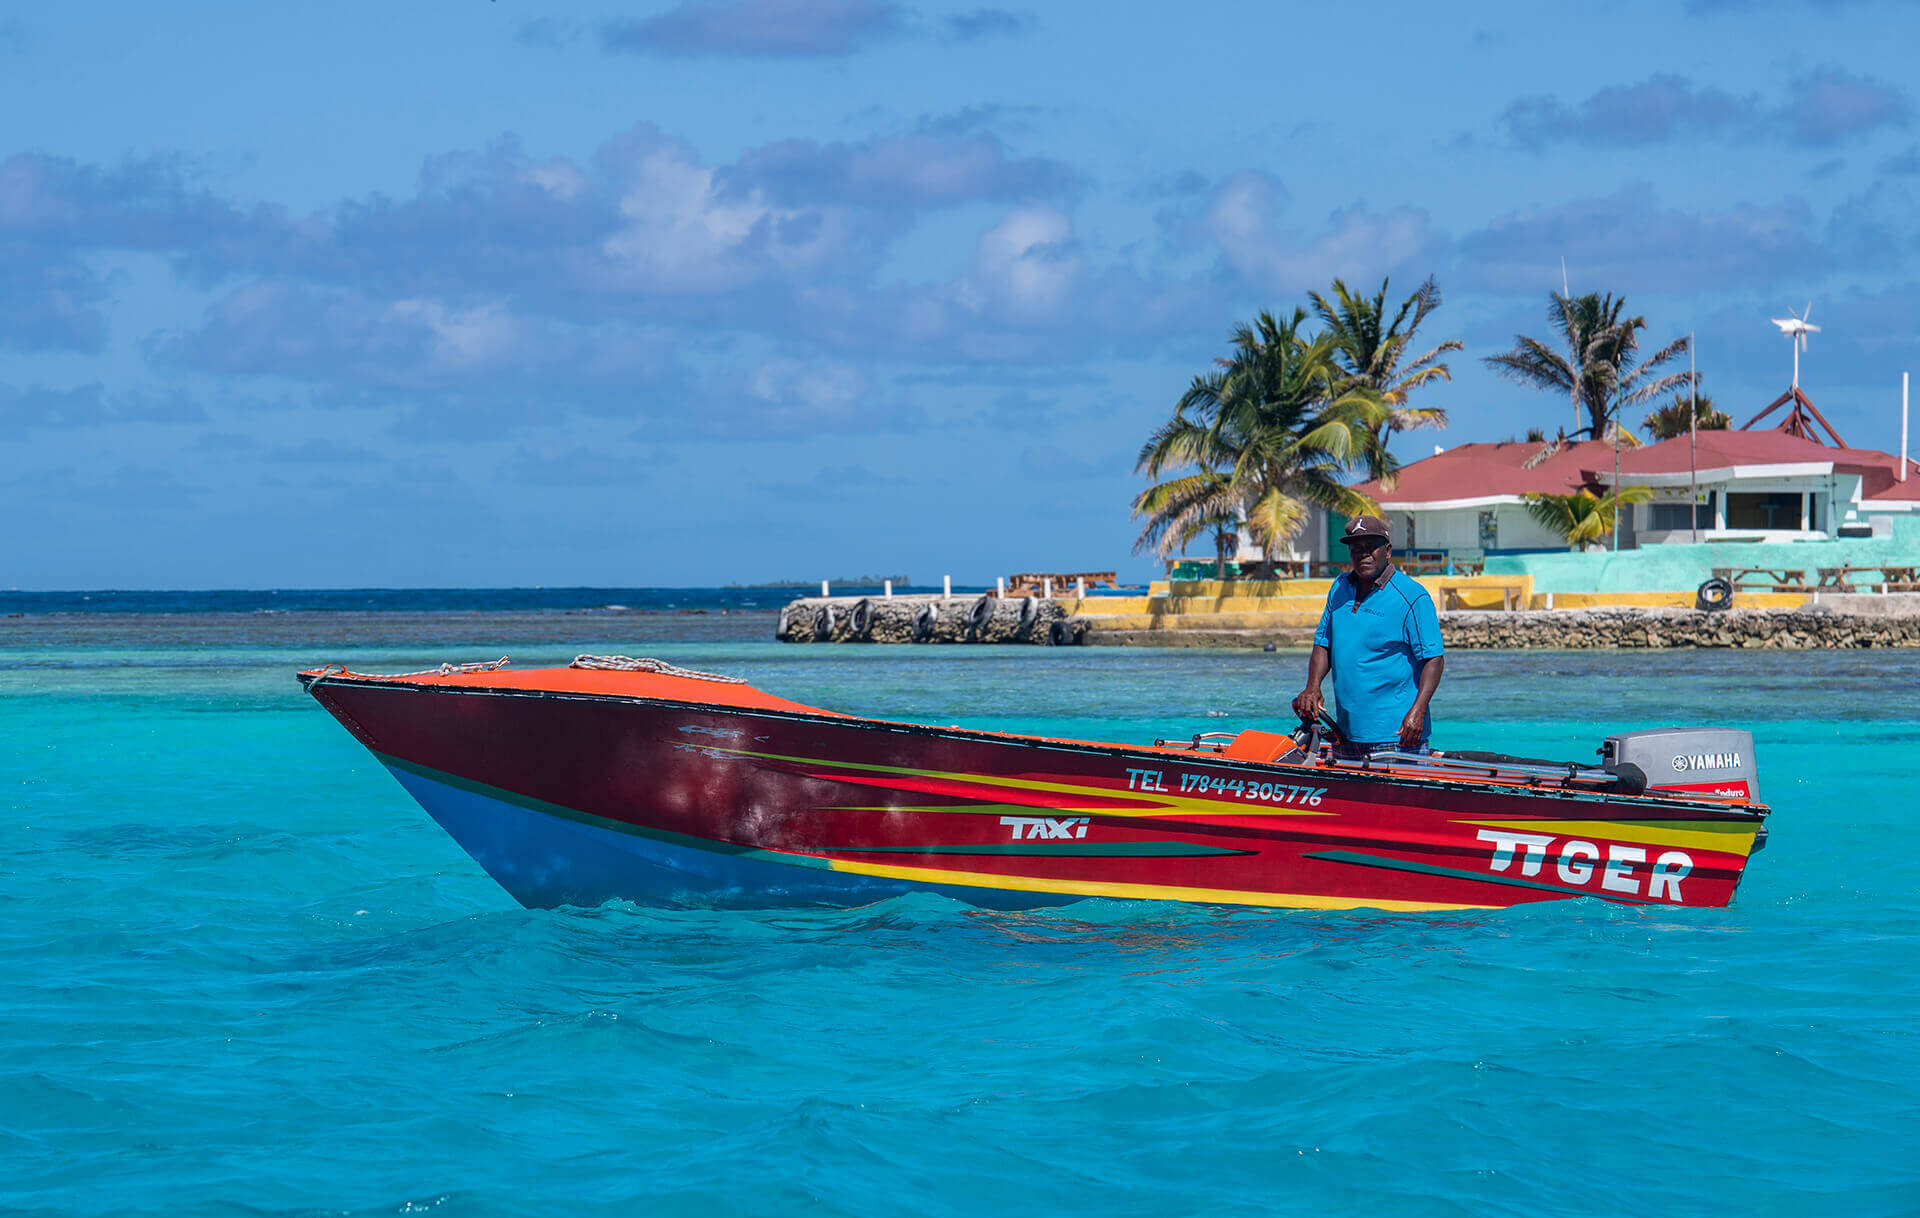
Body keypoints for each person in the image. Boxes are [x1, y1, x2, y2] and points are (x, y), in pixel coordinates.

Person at [1291, 514, 1445, 755]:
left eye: (1371, 548)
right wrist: (1312, 686)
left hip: (1396, 737)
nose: (1363, 554)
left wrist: (1418, 710)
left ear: (1388, 550)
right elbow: (1323, 643)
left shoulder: (1412, 596)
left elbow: (1433, 658)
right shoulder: (1339, 587)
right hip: (1344, 734)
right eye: (1356, 549)